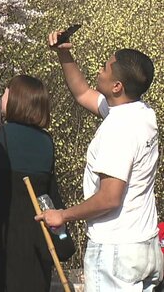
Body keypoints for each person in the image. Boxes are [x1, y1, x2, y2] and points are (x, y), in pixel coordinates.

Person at [36, 31, 162, 291]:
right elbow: (83, 94)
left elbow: (109, 198)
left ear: (117, 86)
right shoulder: (142, 113)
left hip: (116, 252)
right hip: (144, 247)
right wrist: (64, 54)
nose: (99, 70)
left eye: (105, 67)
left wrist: (63, 215)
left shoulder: (119, 130)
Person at [0, 75, 74, 292]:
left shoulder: (1, 137)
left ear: (18, 99)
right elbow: (49, 193)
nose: (2, 96)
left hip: (2, 237)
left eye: (6, 92)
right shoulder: (46, 142)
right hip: (37, 241)